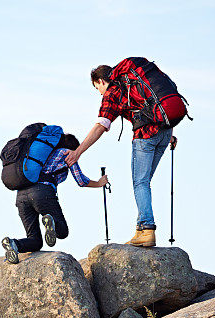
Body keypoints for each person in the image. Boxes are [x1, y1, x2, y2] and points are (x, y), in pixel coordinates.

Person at [65, 64, 178, 248]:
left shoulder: (113, 92)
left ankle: (146, 229)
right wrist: (167, 135)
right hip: (165, 132)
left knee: (140, 182)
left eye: (97, 88)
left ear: (101, 81)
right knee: (144, 181)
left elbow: (101, 125)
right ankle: (141, 229)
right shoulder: (132, 84)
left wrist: (78, 152)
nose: (100, 93)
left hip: (146, 136)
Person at [1, 133, 108, 264]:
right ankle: (50, 221)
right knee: (62, 231)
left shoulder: (39, 154)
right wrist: (99, 183)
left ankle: (14, 244)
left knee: (35, 240)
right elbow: (81, 181)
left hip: (21, 196)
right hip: (43, 193)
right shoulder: (67, 153)